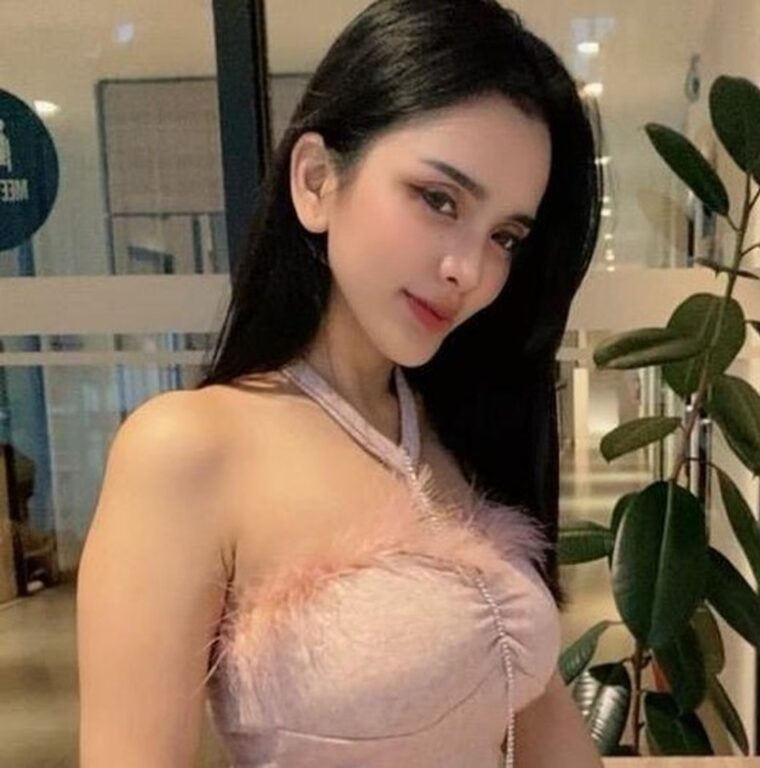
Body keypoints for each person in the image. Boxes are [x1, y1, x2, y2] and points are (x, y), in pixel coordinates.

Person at [77, 0, 604, 765]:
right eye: (439, 199)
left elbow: (548, 734)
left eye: (505, 236)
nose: (469, 268)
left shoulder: (455, 427)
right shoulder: (188, 448)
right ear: (317, 180)